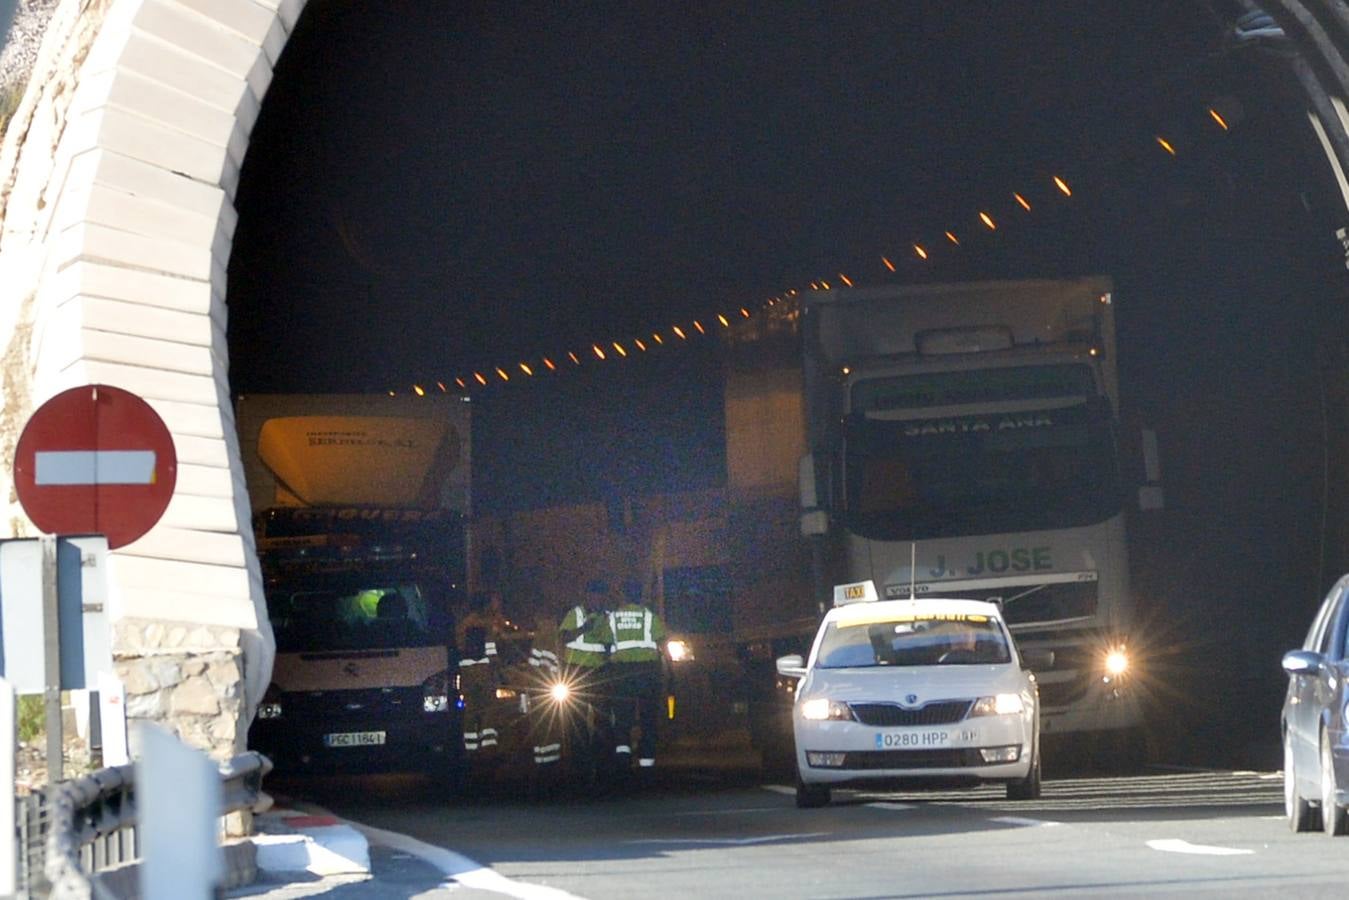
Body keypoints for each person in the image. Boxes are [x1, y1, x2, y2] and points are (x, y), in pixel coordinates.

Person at [606, 579, 667, 773]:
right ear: (640, 596)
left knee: (622, 718)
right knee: (648, 717)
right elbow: (662, 641)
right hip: (648, 672)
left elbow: (605, 643)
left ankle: (623, 760)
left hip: (622, 673)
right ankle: (646, 764)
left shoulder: (613, 618)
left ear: (622, 595)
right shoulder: (649, 616)